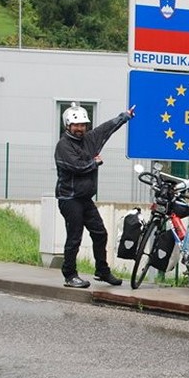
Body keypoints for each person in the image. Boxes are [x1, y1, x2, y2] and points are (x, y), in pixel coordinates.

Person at [55, 102, 135, 288]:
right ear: (68, 125)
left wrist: (124, 116)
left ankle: (102, 270)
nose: (80, 129)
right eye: (76, 125)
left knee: (100, 233)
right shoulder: (63, 146)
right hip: (69, 198)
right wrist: (94, 162)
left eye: (83, 125)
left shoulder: (89, 139)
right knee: (74, 237)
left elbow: (106, 129)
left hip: (85, 199)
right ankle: (70, 275)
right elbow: (77, 167)